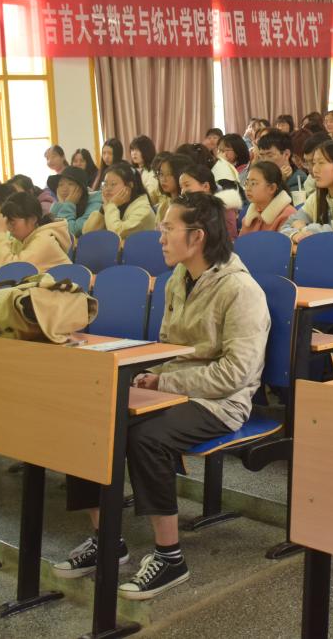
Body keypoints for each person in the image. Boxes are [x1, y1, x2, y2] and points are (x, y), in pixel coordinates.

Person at [54, 193, 269, 599]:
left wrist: (163, 384)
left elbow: (236, 374)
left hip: (222, 402)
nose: (161, 238)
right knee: (90, 419)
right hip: (175, 389)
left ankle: (170, 558)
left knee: (146, 438)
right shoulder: (177, 280)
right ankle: (107, 539)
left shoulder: (241, 290)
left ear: (198, 236)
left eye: (169, 229)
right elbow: (169, 348)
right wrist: (150, 375)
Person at [0, 191, 73, 271]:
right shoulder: (19, 242)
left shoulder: (45, 241)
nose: (9, 228)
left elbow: (9, 271)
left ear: (32, 219)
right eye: (7, 223)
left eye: (13, 223)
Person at [83, 162, 158, 240]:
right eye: (105, 184)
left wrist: (111, 206)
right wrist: (103, 208)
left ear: (130, 185)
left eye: (113, 184)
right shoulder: (114, 205)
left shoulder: (143, 209)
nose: (107, 189)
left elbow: (116, 235)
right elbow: (87, 235)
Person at [180, 164, 242, 241]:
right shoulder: (188, 209)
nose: (182, 192)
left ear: (206, 186)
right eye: (181, 187)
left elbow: (229, 241)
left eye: (187, 185)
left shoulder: (224, 209)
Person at [239, 160, 297, 234]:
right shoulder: (249, 217)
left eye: (253, 183)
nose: (248, 188)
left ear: (272, 188)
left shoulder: (288, 215)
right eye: (246, 183)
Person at [254, 130, 308, 206]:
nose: (265, 161)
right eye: (262, 156)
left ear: (286, 154)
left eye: (270, 155)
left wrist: (280, 181)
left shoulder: (298, 178)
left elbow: (279, 207)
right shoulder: (261, 176)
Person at [49, 166, 101, 237]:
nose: (64, 189)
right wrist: (61, 204)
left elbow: (70, 232)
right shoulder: (57, 204)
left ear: (81, 188)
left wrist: (69, 204)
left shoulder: (95, 204)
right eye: (61, 184)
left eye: (70, 184)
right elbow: (49, 229)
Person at [154, 154, 192, 224]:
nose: (163, 179)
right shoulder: (163, 207)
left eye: (169, 174)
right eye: (161, 174)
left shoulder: (189, 207)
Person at [129, 135, 160, 200]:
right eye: (132, 150)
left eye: (137, 150)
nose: (134, 153)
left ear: (147, 151)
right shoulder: (132, 170)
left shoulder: (152, 172)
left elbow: (151, 195)